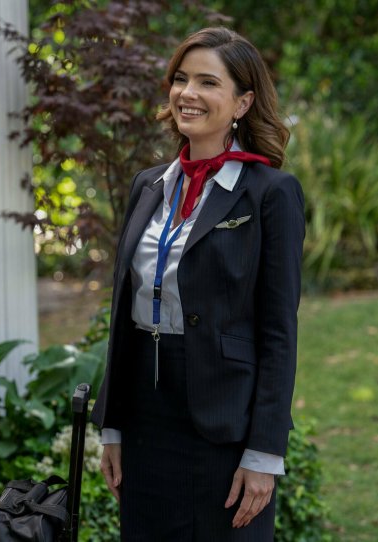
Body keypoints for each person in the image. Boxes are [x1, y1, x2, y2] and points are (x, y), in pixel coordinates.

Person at [91, 26, 305, 541]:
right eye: (181, 79)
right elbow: (125, 309)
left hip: (225, 424)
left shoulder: (270, 194)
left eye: (208, 83)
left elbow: (279, 333)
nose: (188, 93)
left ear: (242, 102)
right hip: (145, 415)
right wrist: (113, 424)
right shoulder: (149, 185)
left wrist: (264, 453)